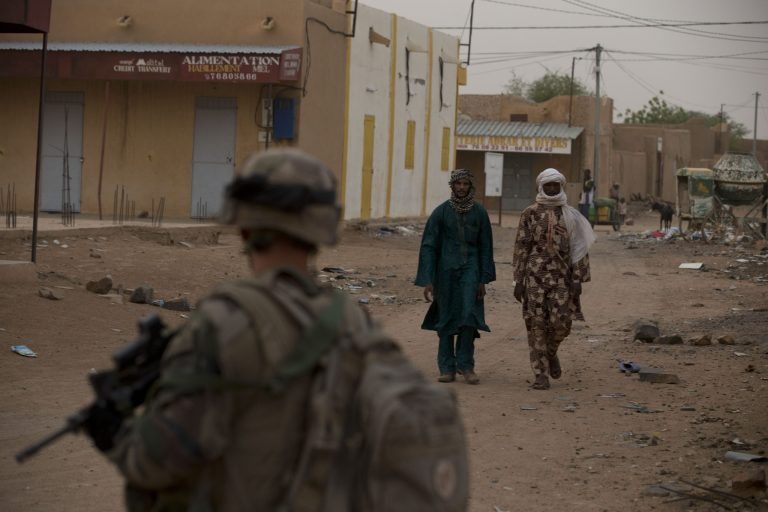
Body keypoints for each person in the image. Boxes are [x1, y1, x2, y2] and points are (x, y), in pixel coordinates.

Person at [82, 149, 469, 511]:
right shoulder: (354, 321)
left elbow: (157, 462)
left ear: (245, 228)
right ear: (321, 230)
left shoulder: (222, 322)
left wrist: (116, 435)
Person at [512, 168, 596, 390]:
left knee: (562, 323)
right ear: (541, 187)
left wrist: (578, 278)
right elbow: (521, 247)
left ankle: (551, 353)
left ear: (561, 187)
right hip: (534, 278)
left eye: (555, 185)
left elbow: (580, 248)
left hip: (562, 278)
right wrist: (518, 280)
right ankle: (540, 374)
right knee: (535, 324)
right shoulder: (529, 213)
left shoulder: (570, 215)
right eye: (547, 185)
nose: (551, 188)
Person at [415, 169, 496, 385]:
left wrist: (483, 279)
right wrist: (428, 279)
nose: (461, 187)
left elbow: (486, 246)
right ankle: (447, 368)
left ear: (471, 187)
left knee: (469, 316)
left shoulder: (479, 213)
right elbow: (429, 246)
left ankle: (466, 365)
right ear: (452, 186)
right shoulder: (440, 213)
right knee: (446, 318)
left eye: (465, 184)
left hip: (472, 270)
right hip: (445, 272)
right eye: (458, 184)